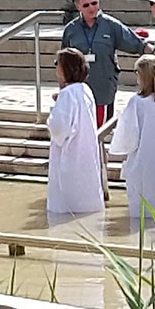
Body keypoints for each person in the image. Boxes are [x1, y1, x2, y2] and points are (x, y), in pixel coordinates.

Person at [60, 0, 151, 127]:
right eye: (86, 5)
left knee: (102, 130)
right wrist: (62, 90)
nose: (91, 8)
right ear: (78, 6)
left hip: (104, 88)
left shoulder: (111, 25)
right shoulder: (71, 30)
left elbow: (137, 44)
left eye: (94, 3)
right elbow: (63, 62)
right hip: (78, 91)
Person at [109, 55, 155, 222]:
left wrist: (119, 147)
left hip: (143, 158)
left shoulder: (137, 102)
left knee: (142, 206)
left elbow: (128, 134)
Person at [46, 48, 105, 215]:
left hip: (70, 158)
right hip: (86, 154)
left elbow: (59, 128)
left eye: (57, 64)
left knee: (66, 210)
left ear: (65, 68)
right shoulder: (85, 89)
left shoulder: (67, 94)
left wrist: (51, 117)